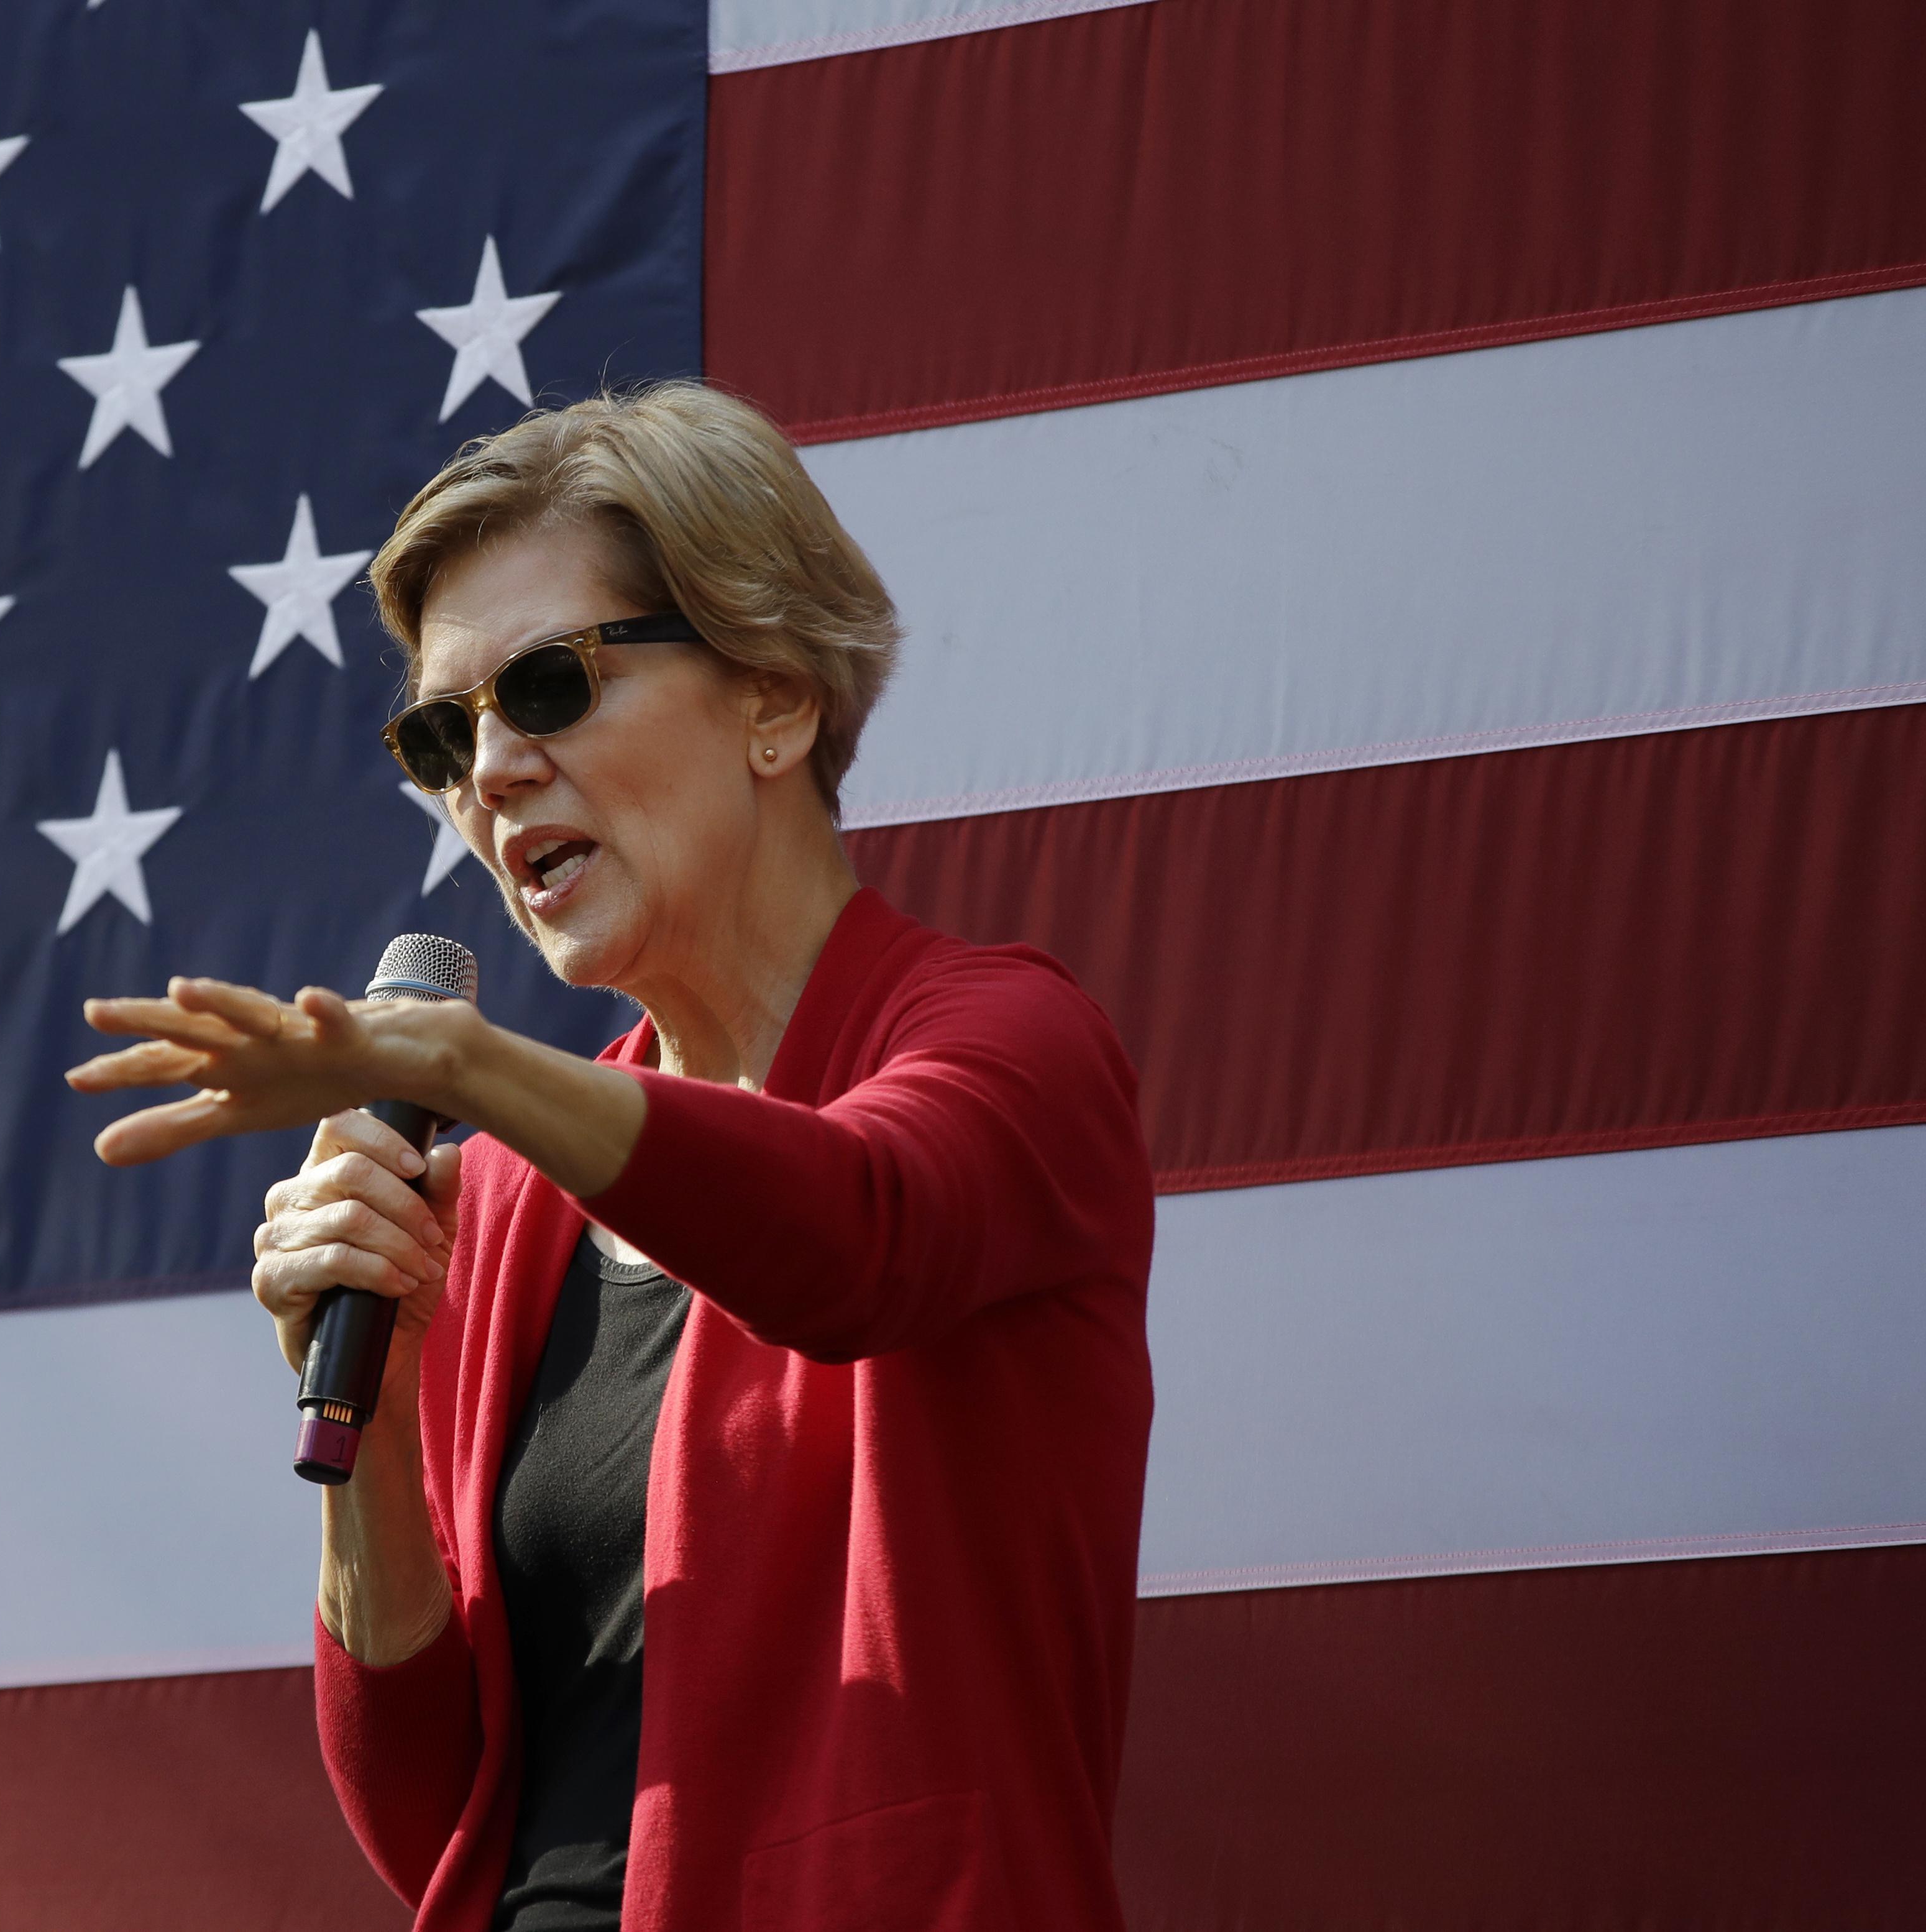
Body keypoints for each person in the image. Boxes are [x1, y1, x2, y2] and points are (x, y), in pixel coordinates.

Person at [65, 382, 1154, 1931]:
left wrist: (462, 1063)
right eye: (442, 734)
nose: (489, 771)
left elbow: (856, 1239)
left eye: (547, 686)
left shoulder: (1010, 1043)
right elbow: (438, 1822)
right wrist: (374, 1419)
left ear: (773, 697)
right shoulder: (496, 1207)